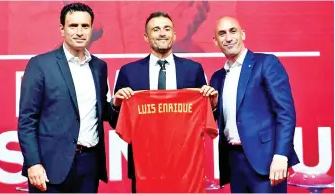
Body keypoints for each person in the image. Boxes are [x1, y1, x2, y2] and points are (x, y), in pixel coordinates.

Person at [17, 3, 119, 193]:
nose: (79, 32)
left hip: (89, 165)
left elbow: (101, 111)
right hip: (49, 166)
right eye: (73, 26)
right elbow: (27, 120)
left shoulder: (99, 67)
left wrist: (116, 104)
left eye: (85, 26)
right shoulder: (40, 64)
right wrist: (33, 163)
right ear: (62, 30)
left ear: (91, 29)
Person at [112, 11, 217, 193]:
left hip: (185, 167)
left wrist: (212, 104)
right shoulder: (129, 72)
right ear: (146, 36)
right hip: (143, 167)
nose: (162, 33)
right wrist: (116, 105)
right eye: (156, 29)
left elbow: (204, 118)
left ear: (174, 35)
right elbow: (117, 122)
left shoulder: (193, 70)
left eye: (167, 29)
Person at [209, 16, 299, 193]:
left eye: (233, 31)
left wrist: (281, 155)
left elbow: (285, 113)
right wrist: (211, 107)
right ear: (215, 41)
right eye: (222, 34)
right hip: (234, 162)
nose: (228, 38)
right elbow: (214, 121)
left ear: (242, 34)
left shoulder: (266, 63)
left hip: (267, 161)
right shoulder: (217, 77)